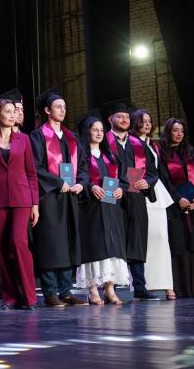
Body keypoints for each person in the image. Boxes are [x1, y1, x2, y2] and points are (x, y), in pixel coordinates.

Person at [29, 86, 88, 307]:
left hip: (71, 197)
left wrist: (81, 183)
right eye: (58, 107)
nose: (63, 110)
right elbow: (35, 167)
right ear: (47, 110)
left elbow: (83, 166)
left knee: (68, 242)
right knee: (51, 244)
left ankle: (65, 291)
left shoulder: (72, 138)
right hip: (50, 197)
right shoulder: (38, 136)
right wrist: (58, 182)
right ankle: (50, 292)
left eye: (64, 107)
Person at [102, 100, 160, 301]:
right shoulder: (104, 141)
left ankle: (140, 287)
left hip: (135, 195)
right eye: (120, 116)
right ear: (110, 119)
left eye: (127, 117)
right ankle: (110, 288)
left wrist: (147, 182)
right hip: (112, 194)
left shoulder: (138, 144)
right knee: (112, 240)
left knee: (137, 240)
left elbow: (152, 173)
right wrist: (112, 190)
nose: (124, 120)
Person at [0, 97, 39, 310]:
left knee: (18, 242)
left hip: (21, 198)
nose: (12, 114)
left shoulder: (23, 139)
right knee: (0, 248)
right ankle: (10, 297)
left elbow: (31, 173)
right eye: (7, 111)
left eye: (14, 111)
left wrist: (35, 204)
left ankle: (29, 296)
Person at [74, 110, 127, 305]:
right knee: (94, 246)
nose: (99, 133)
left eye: (101, 130)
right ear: (87, 132)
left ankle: (110, 288)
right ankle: (92, 289)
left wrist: (121, 189)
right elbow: (78, 177)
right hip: (91, 208)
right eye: (94, 130)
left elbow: (121, 178)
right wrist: (90, 187)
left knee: (112, 247)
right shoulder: (81, 155)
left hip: (110, 206)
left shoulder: (109, 156)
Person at [158, 118, 194, 298]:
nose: (179, 134)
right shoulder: (162, 153)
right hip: (174, 207)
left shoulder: (190, 152)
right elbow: (163, 180)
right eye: (175, 130)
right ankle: (181, 287)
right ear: (168, 131)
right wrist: (177, 198)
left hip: (193, 205)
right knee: (179, 242)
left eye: (182, 130)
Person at [130, 109, 176, 299]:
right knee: (145, 241)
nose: (147, 124)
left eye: (149, 121)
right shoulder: (132, 143)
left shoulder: (153, 145)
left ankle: (166, 284)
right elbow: (131, 169)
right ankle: (145, 284)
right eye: (143, 121)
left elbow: (157, 171)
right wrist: (136, 186)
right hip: (140, 193)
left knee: (161, 239)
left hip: (156, 193)